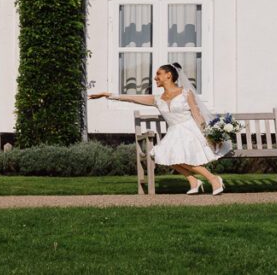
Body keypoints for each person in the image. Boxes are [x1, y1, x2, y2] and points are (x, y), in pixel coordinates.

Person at [90, 63, 229, 195]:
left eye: (158, 74)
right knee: (161, 154)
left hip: (189, 131)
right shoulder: (157, 99)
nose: (155, 77)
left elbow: (197, 115)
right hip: (174, 132)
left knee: (178, 156)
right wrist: (108, 95)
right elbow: (132, 98)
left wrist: (209, 135)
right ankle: (193, 180)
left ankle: (213, 179)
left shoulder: (186, 93)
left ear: (168, 75)